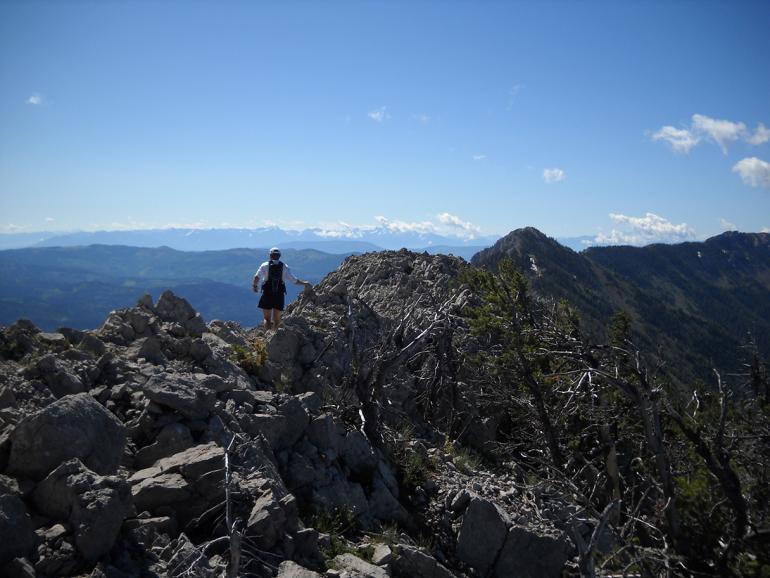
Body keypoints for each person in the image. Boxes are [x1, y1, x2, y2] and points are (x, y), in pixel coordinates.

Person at [253, 247, 311, 330]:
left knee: (267, 318)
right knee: (277, 319)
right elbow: (294, 280)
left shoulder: (264, 265)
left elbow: (256, 277)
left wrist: (255, 286)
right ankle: (273, 336)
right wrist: (304, 283)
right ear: (279, 256)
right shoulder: (284, 266)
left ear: (270, 255)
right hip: (279, 294)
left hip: (267, 293)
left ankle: (267, 335)